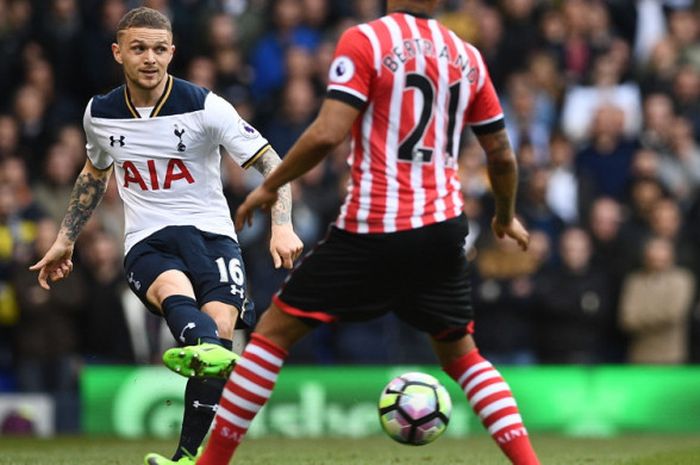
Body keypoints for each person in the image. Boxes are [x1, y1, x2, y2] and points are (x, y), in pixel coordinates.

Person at [168, 1, 542, 464]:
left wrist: (272, 182)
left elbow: (328, 133)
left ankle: (210, 464)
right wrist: (504, 215)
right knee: (463, 356)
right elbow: (502, 156)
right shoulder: (467, 56)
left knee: (272, 333)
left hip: (376, 223)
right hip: (444, 227)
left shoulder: (365, 40)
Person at [27, 7, 303, 465]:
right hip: (148, 240)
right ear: (118, 53)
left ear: (172, 52)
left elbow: (273, 163)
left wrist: (282, 224)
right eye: (138, 48)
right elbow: (95, 174)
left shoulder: (206, 106)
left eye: (159, 49)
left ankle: (186, 455)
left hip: (213, 236)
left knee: (217, 339)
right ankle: (198, 340)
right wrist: (65, 238)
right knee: (189, 310)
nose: (150, 59)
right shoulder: (100, 114)